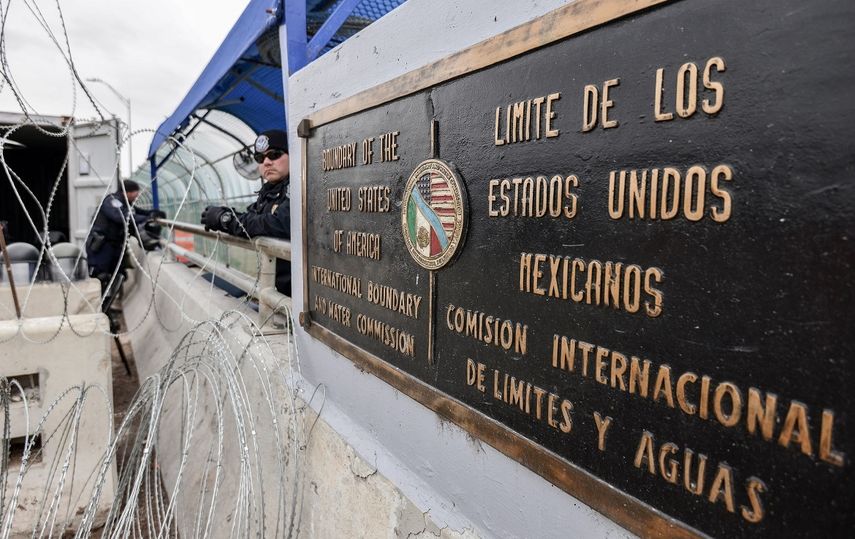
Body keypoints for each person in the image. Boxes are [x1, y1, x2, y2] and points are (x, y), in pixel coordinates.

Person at [201, 129, 291, 295]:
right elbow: (252, 219)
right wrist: (225, 216)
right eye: (260, 158)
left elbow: (278, 223)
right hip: (277, 290)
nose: (267, 162)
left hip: (303, 297)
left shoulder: (300, 185)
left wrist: (226, 219)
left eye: (274, 155)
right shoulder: (269, 192)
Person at [86, 180, 163, 292]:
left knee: (116, 275)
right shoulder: (112, 201)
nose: (136, 197)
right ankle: (97, 304)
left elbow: (138, 213)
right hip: (102, 247)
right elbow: (120, 216)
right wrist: (146, 218)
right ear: (128, 192)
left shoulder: (125, 203)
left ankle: (109, 304)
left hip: (114, 246)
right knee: (100, 277)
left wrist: (153, 213)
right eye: (136, 194)